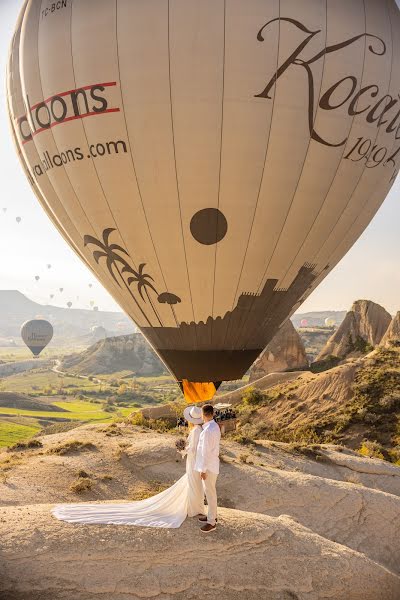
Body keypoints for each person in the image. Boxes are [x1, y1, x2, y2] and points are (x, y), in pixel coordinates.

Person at [51, 405, 205, 529]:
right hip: (193, 460)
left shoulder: (195, 431)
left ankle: (193, 508)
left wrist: (182, 450)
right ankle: (194, 508)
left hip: (193, 460)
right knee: (193, 483)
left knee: (192, 482)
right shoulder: (198, 430)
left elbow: (193, 448)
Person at [195, 404, 221, 534]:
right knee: (211, 492)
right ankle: (213, 515)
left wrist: (203, 469)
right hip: (213, 464)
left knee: (210, 494)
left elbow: (205, 452)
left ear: (203, 414)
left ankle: (211, 522)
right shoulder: (214, 426)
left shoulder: (207, 431)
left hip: (209, 466)